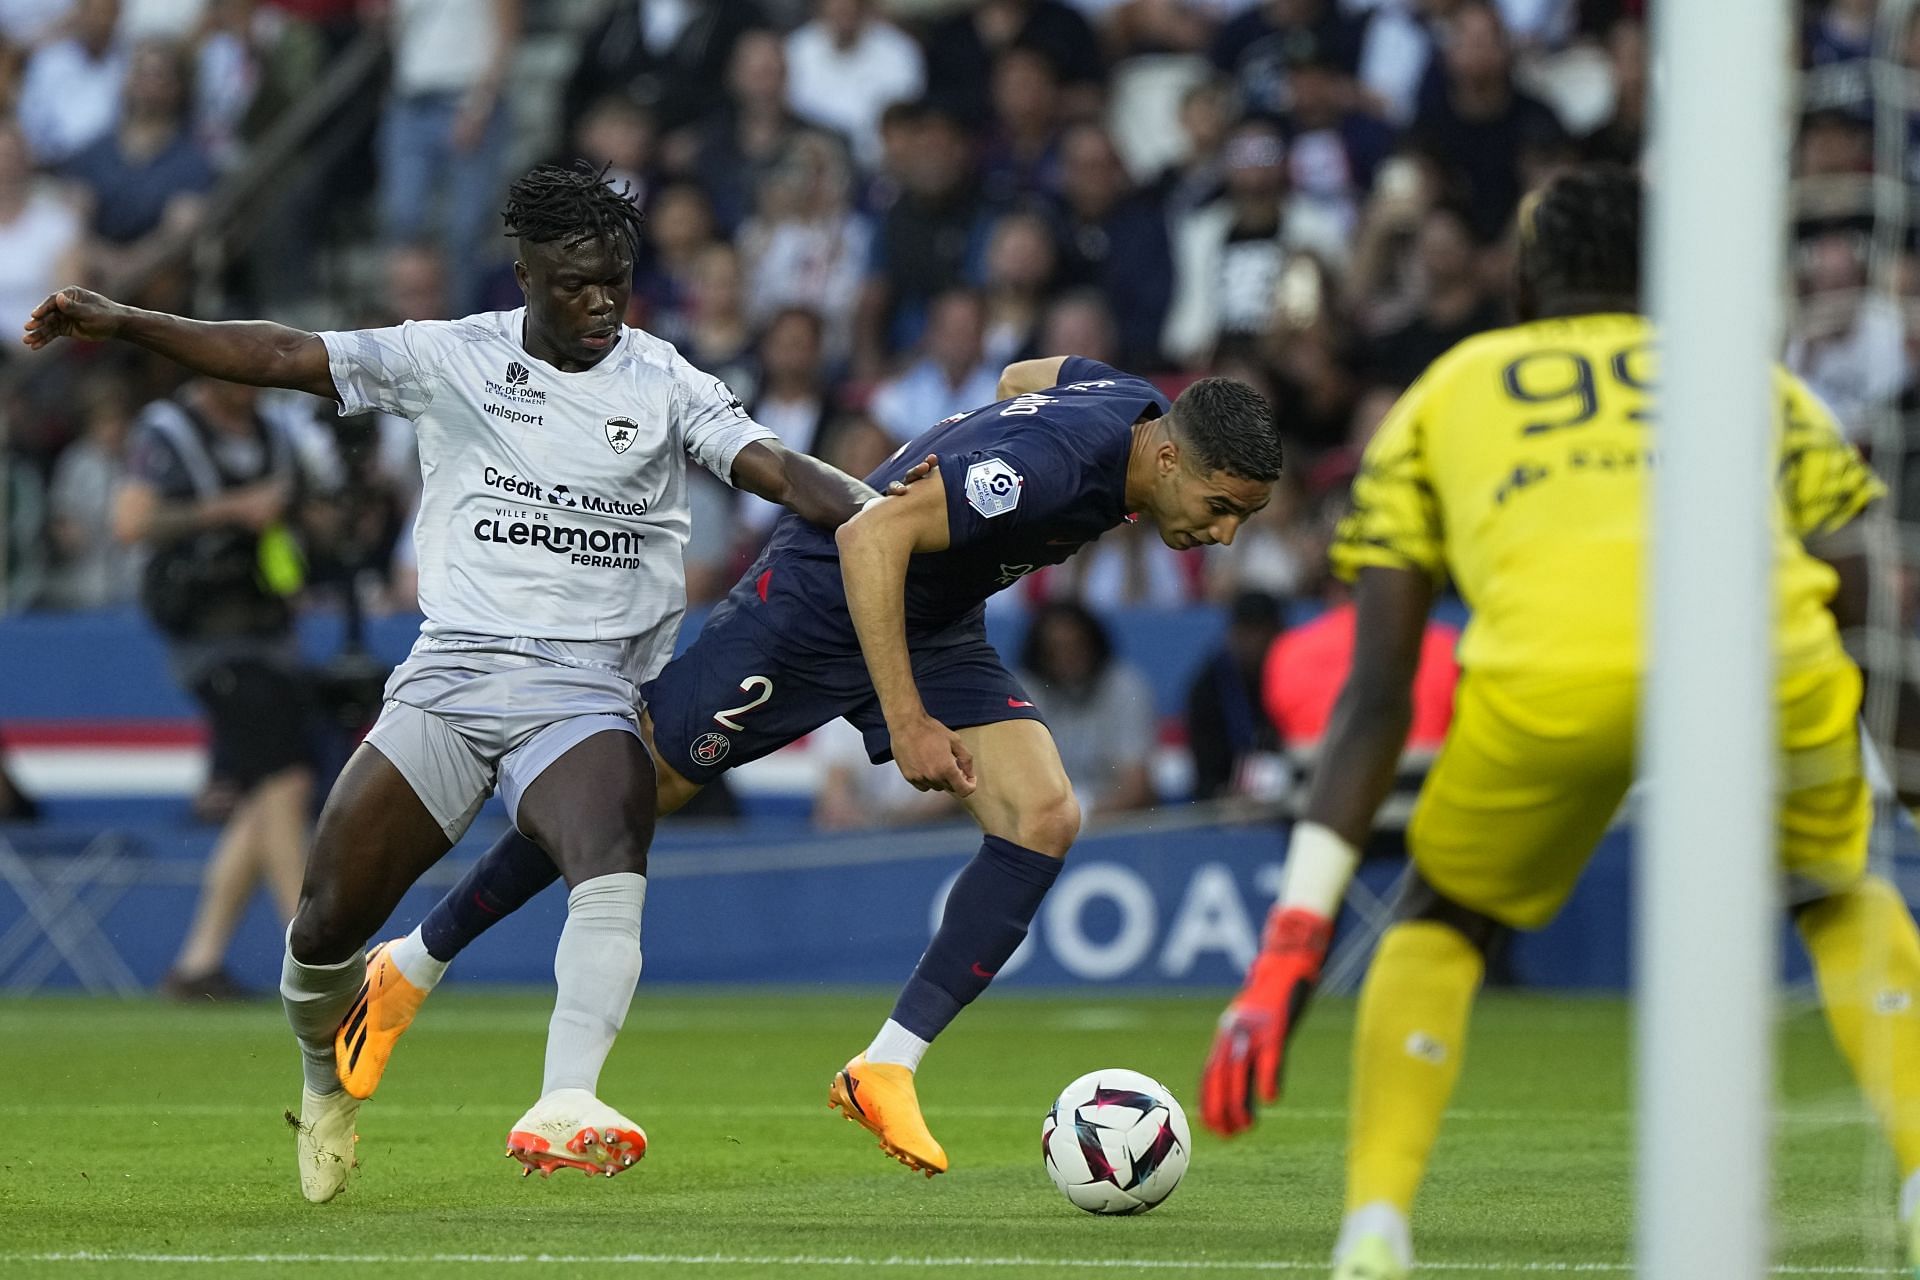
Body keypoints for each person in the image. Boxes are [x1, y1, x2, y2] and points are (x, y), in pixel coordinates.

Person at [22, 162, 883, 1204]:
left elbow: (779, 468)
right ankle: (324, 1081)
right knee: (327, 920)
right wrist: (127, 321)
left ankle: (567, 1098)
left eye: (616, 278)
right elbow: (284, 352)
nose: (602, 300)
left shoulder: (663, 379)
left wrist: (883, 516)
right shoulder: (447, 355)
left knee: (612, 837)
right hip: (452, 676)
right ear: (524, 274)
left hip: (584, 685)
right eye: (576, 282)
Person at [1196, 165, 1920, 1279]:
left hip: (1550, 679)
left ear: (1526, 282)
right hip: (1763, 663)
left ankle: (1376, 1225)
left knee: (1443, 916)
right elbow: (1871, 581)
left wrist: (1297, 934)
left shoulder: (1449, 389)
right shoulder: (1746, 378)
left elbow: (1379, 687)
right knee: (1835, 892)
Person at [331, 357, 1284, 1180]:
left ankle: (886, 1067)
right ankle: (409, 966)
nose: (1224, 534)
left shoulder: (1125, 401)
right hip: (819, 606)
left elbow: (1018, 381)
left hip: (933, 617)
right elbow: (871, 534)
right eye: (1220, 508)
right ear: (1167, 457)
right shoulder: (1046, 467)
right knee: (630, 795)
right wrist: (905, 719)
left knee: (1043, 817)